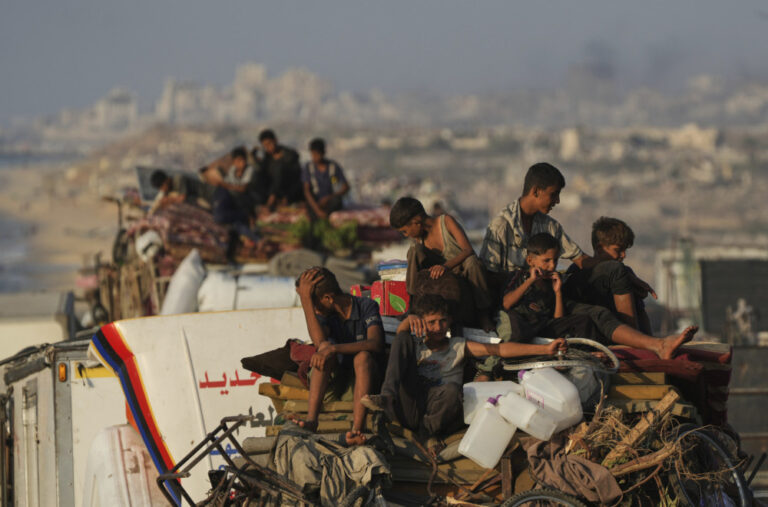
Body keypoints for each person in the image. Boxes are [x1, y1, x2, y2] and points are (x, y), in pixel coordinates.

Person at [362, 294, 567, 456]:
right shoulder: (413, 343)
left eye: (443, 321)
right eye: (431, 322)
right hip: (411, 406)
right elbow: (402, 333)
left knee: (453, 390)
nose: (438, 328)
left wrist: (545, 349)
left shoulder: (458, 346)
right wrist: (409, 320)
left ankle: (427, 434)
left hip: (441, 415)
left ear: (450, 321)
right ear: (421, 323)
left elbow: (499, 350)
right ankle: (387, 398)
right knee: (402, 340)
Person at [494, 233, 697, 365]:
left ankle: (655, 344)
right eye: (546, 261)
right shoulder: (519, 277)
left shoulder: (550, 284)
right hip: (527, 330)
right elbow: (506, 303)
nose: (551, 266)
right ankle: (654, 344)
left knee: (597, 315)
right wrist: (529, 282)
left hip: (547, 325)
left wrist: (557, 292)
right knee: (587, 319)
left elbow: (558, 319)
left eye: (555, 260)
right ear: (531, 260)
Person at [293, 267, 384, 446]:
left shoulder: (366, 306)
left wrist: (336, 349)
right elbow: (320, 342)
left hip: (364, 381)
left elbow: (376, 343)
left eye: (314, 303)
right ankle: (312, 420)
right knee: (324, 349)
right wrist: (306, 301)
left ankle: (357, 430)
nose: (314, 309)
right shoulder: (325, 315)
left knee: (362, 356)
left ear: (328, 298)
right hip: (335, 383)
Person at [390, 197, 494, 331]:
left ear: (416, 222)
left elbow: (468, 250)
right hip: (442, 284)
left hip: (462, 274)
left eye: (405, 231)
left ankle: (483, 315)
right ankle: (412, 306)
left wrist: (445, 267)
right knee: (414, 251)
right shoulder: (419, 242)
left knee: (473, 262)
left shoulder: (446, 222)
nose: (406, 235)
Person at [479, 162, 587, 278]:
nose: (557, 201)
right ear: (536, 191)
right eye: (553, 195)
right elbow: (488, 275)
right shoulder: (502, 225)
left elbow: (580, 259)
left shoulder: (550, 226)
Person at [564, 217, 653, 333]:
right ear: (600, 248)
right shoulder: (577, 271)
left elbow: (640, 311)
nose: (623, 255)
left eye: (625, 250)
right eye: (618, 250)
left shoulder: (626, 273)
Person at [302, 138, 350, 219]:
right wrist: (317, 209)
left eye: (317, 154)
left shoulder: (333, 167)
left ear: (323, 153)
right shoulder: (309, 168)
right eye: (313, 154)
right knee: (309, 205)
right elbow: (306, 190)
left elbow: (345, 187)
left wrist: (329, 198)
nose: (315, 157)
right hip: (315, 201)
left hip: (330, 201)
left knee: (336, 201)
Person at [259, 129, 304, 210]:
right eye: (265, 146)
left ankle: (272, 200)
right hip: (273, 191)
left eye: (269, 144)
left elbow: (297, 177)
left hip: (290, 189)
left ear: (275, 141)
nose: (268, 148)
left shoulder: (290, 156)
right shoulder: (267, 159)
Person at [148, 169, 215, 214]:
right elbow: (159, 201)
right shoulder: (168, 190)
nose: (162, 189)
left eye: (162, 186)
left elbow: (183, 198)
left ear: (167, 180)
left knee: (220, 218)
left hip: (211, 194)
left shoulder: (179, 179)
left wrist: (169, 199)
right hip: (205, 200)